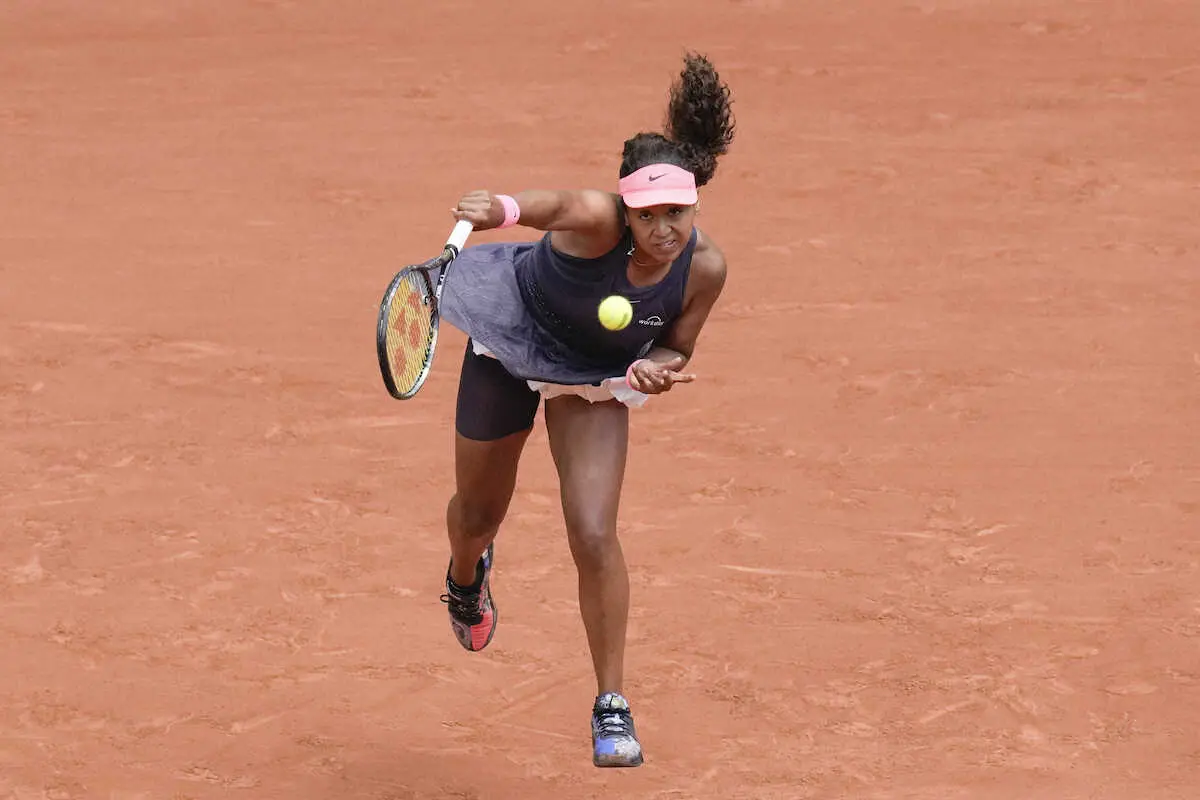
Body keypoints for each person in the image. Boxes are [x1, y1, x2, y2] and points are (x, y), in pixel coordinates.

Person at [433, 51, 735, 768]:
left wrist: (654, 369)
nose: (665, 228)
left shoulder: (707, 267)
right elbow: (554, 204)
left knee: (594, 531)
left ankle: (611, 704)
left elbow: (677, 346)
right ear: (626, 210)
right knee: (477, 514)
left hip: (593, 377)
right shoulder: (598, 219)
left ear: (696, 204)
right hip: (513, 342)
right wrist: (499, 210)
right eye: (650, 214)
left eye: (678, 213)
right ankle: (464, 579)